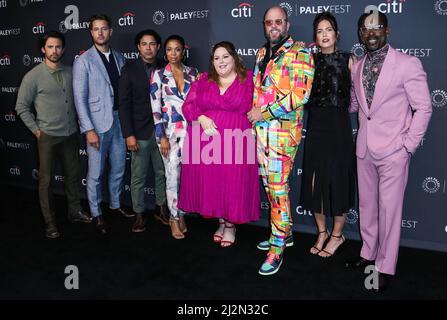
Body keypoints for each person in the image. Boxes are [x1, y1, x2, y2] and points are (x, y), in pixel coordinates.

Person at [346, 11, 432, 291]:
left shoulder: (407, 64)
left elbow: (424, 107)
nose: (371, 33)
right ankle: (367, 254)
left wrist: (408, 145)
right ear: (360, 33)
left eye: (376, 28)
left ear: (387, 31)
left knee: (390, 210)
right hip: (365, 149)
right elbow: (357, 107)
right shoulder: (357, 66)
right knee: (367, 207)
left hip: (394, 150)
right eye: (365, 29)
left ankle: (384, 265)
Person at [248, 6, 315, 275]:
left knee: (276, 190)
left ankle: (277, 249)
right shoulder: (262, 52)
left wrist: (262, 112)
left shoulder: (300, 52)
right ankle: (284, 233)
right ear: (264, 25)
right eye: (269, 22)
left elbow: (299, 96)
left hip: (283, 135)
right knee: (273, 187)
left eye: (278, 22)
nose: (273, 26)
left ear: (287, 24)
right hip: (262, 134)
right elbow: (257, 90)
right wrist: (255, 122)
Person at [178, 41, 260, 247]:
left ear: (234, 58)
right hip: (206, 142)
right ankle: (222, 222)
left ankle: (231, 226)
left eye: (225, 56)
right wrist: (201, 118)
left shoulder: (249, 79)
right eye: (216, 58)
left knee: (233, 184)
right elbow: (188, 107)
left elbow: (261, 105)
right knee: (215, 184)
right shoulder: (204, 80)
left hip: (237, 141)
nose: (221, 61)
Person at [15, 31, 92, 238]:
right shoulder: (33, 76)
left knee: (73, 177)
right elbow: (21, 107)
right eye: (50, 47)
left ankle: (75, 212)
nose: (54, 50)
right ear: (43, 49)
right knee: (46, 182)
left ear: (63, 49)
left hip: (70, 135)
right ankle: (50, 223)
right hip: (47, 136)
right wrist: (36, 130)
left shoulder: (70, 72)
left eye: (58, 47)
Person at [300, 12, 356, 258]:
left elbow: (362, 97)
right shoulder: (307, 61)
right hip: (315, 127)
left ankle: (337, 235)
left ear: (337, 34)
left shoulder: (349, 60)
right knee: (314, 182)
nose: (324, 34)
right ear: (315, 36)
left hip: (339, 127)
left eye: (328, 29)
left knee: (338, 181)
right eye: (319, 30)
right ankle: (322, 231)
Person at [73, 14, 131, 235]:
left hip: (119, 121)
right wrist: (88, 129)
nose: (100, 33)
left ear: (110, 31)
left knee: (118, 168)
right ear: (91, 32)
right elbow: (80, 98)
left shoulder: (119, 57)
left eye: (104, 29)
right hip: (97, 125)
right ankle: (97, 214)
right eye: (96, 29)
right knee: (95, 173)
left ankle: (115, 206)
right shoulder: (84, 60)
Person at [118, 29, 169, 233]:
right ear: (138, 47)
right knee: (138, 177)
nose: (149, 48)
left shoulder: (167, 68)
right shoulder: (129, 69)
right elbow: (123, 103)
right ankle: (138, 214)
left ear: (158, 47)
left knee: (161, 173)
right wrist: (128, 134)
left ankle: (160, 208)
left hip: (162, 133)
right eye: (144, 44)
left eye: (153, 44)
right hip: (138, 132)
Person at [150, 35, 198, 239]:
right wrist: (161, 136)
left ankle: (182, 214)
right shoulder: (158, 74)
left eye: (177, 49)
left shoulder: (194, 73)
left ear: (183, 51)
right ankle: (173, 217)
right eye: (169, 49)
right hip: (168, 133)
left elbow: (198, 103)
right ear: (165, 52)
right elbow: (155, 108)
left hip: (191, 132)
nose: (173, 53)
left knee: (187, 176)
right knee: (172, 176)